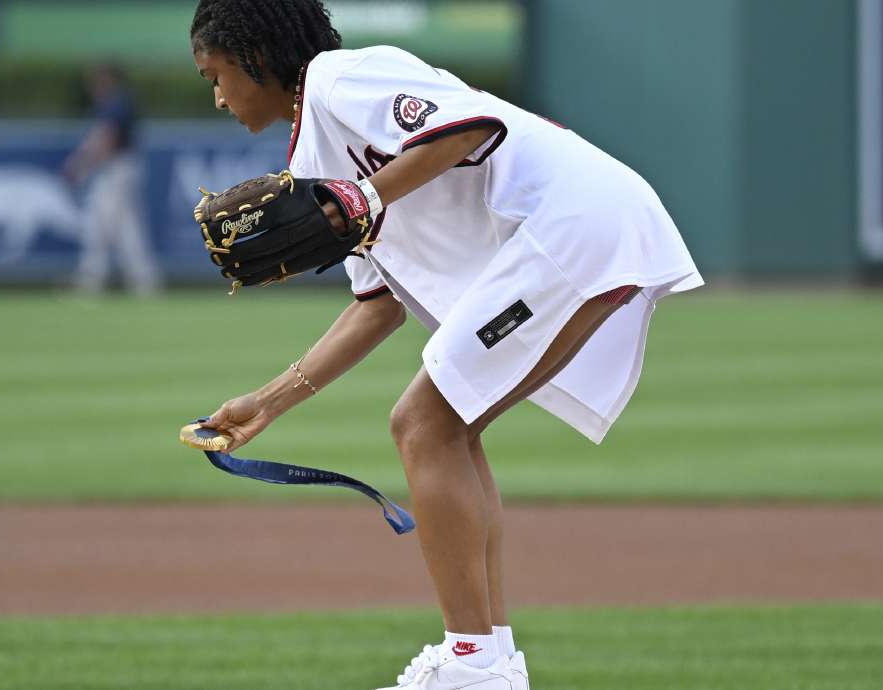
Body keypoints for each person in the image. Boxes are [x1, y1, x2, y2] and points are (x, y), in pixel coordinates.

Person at [190, 1, 703, 688]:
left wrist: (363, 197)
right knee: (448, 427)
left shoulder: (342, 78)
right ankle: (494, 658)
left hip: (573, 220)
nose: (218, 95)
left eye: (217, 75)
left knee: (423, 424)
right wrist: (269, 402)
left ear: (255, 56)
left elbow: (467, 129)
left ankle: (473, 662)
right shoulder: (314, 159)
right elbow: (377, 308)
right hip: (570, 234)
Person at [63, 62, 161, 295]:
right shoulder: (114, 102)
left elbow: (108, 140)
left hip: (119, 169)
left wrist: (81, 166)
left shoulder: (117, 102)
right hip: (120, 169)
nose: (92, 87)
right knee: (127, 228)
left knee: (99, 225)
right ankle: (146, 283)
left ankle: (90, 281)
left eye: (95, 81)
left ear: (106, 79)